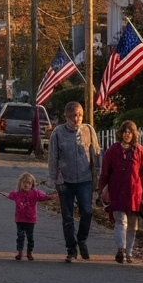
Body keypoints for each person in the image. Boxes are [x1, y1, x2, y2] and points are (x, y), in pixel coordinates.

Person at [47, 101, 100, 262]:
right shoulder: (57, 133)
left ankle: (81, 239)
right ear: (66, 117)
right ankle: (71, 248)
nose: (76, 119)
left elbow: (96, 154)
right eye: (73, 116)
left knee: (87, 211)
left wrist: (98, 178)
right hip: (65, 181)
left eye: (79, 115)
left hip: (85, 179)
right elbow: (53, 158)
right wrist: (53, 179)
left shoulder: (88, 130)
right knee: (68, 217)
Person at [99, 119, 143, 264]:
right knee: (120, 221)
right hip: (116, 191)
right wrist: (101, 190)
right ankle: (121, 249)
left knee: (132, 226)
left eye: (129, 132)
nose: (127, 134)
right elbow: (105, 172)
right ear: (120, 133)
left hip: (135, 193)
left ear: (134, 134)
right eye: (124, 131)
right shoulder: (113, 150)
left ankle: (129, 253)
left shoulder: (139, 150)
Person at [5, 172, 54, 261]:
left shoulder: (35, 193)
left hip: (30, 219)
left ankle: (29, 252)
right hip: (20, 219)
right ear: (20, 184)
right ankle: (20, 252)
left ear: (32, 184)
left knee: (30, 237)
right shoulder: (17, 194)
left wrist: (53, 196)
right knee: (20, 236)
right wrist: (5, 194)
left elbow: (44, 197)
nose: (26, 185)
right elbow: (10, 195)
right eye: (24, 183)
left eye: (28, 183)